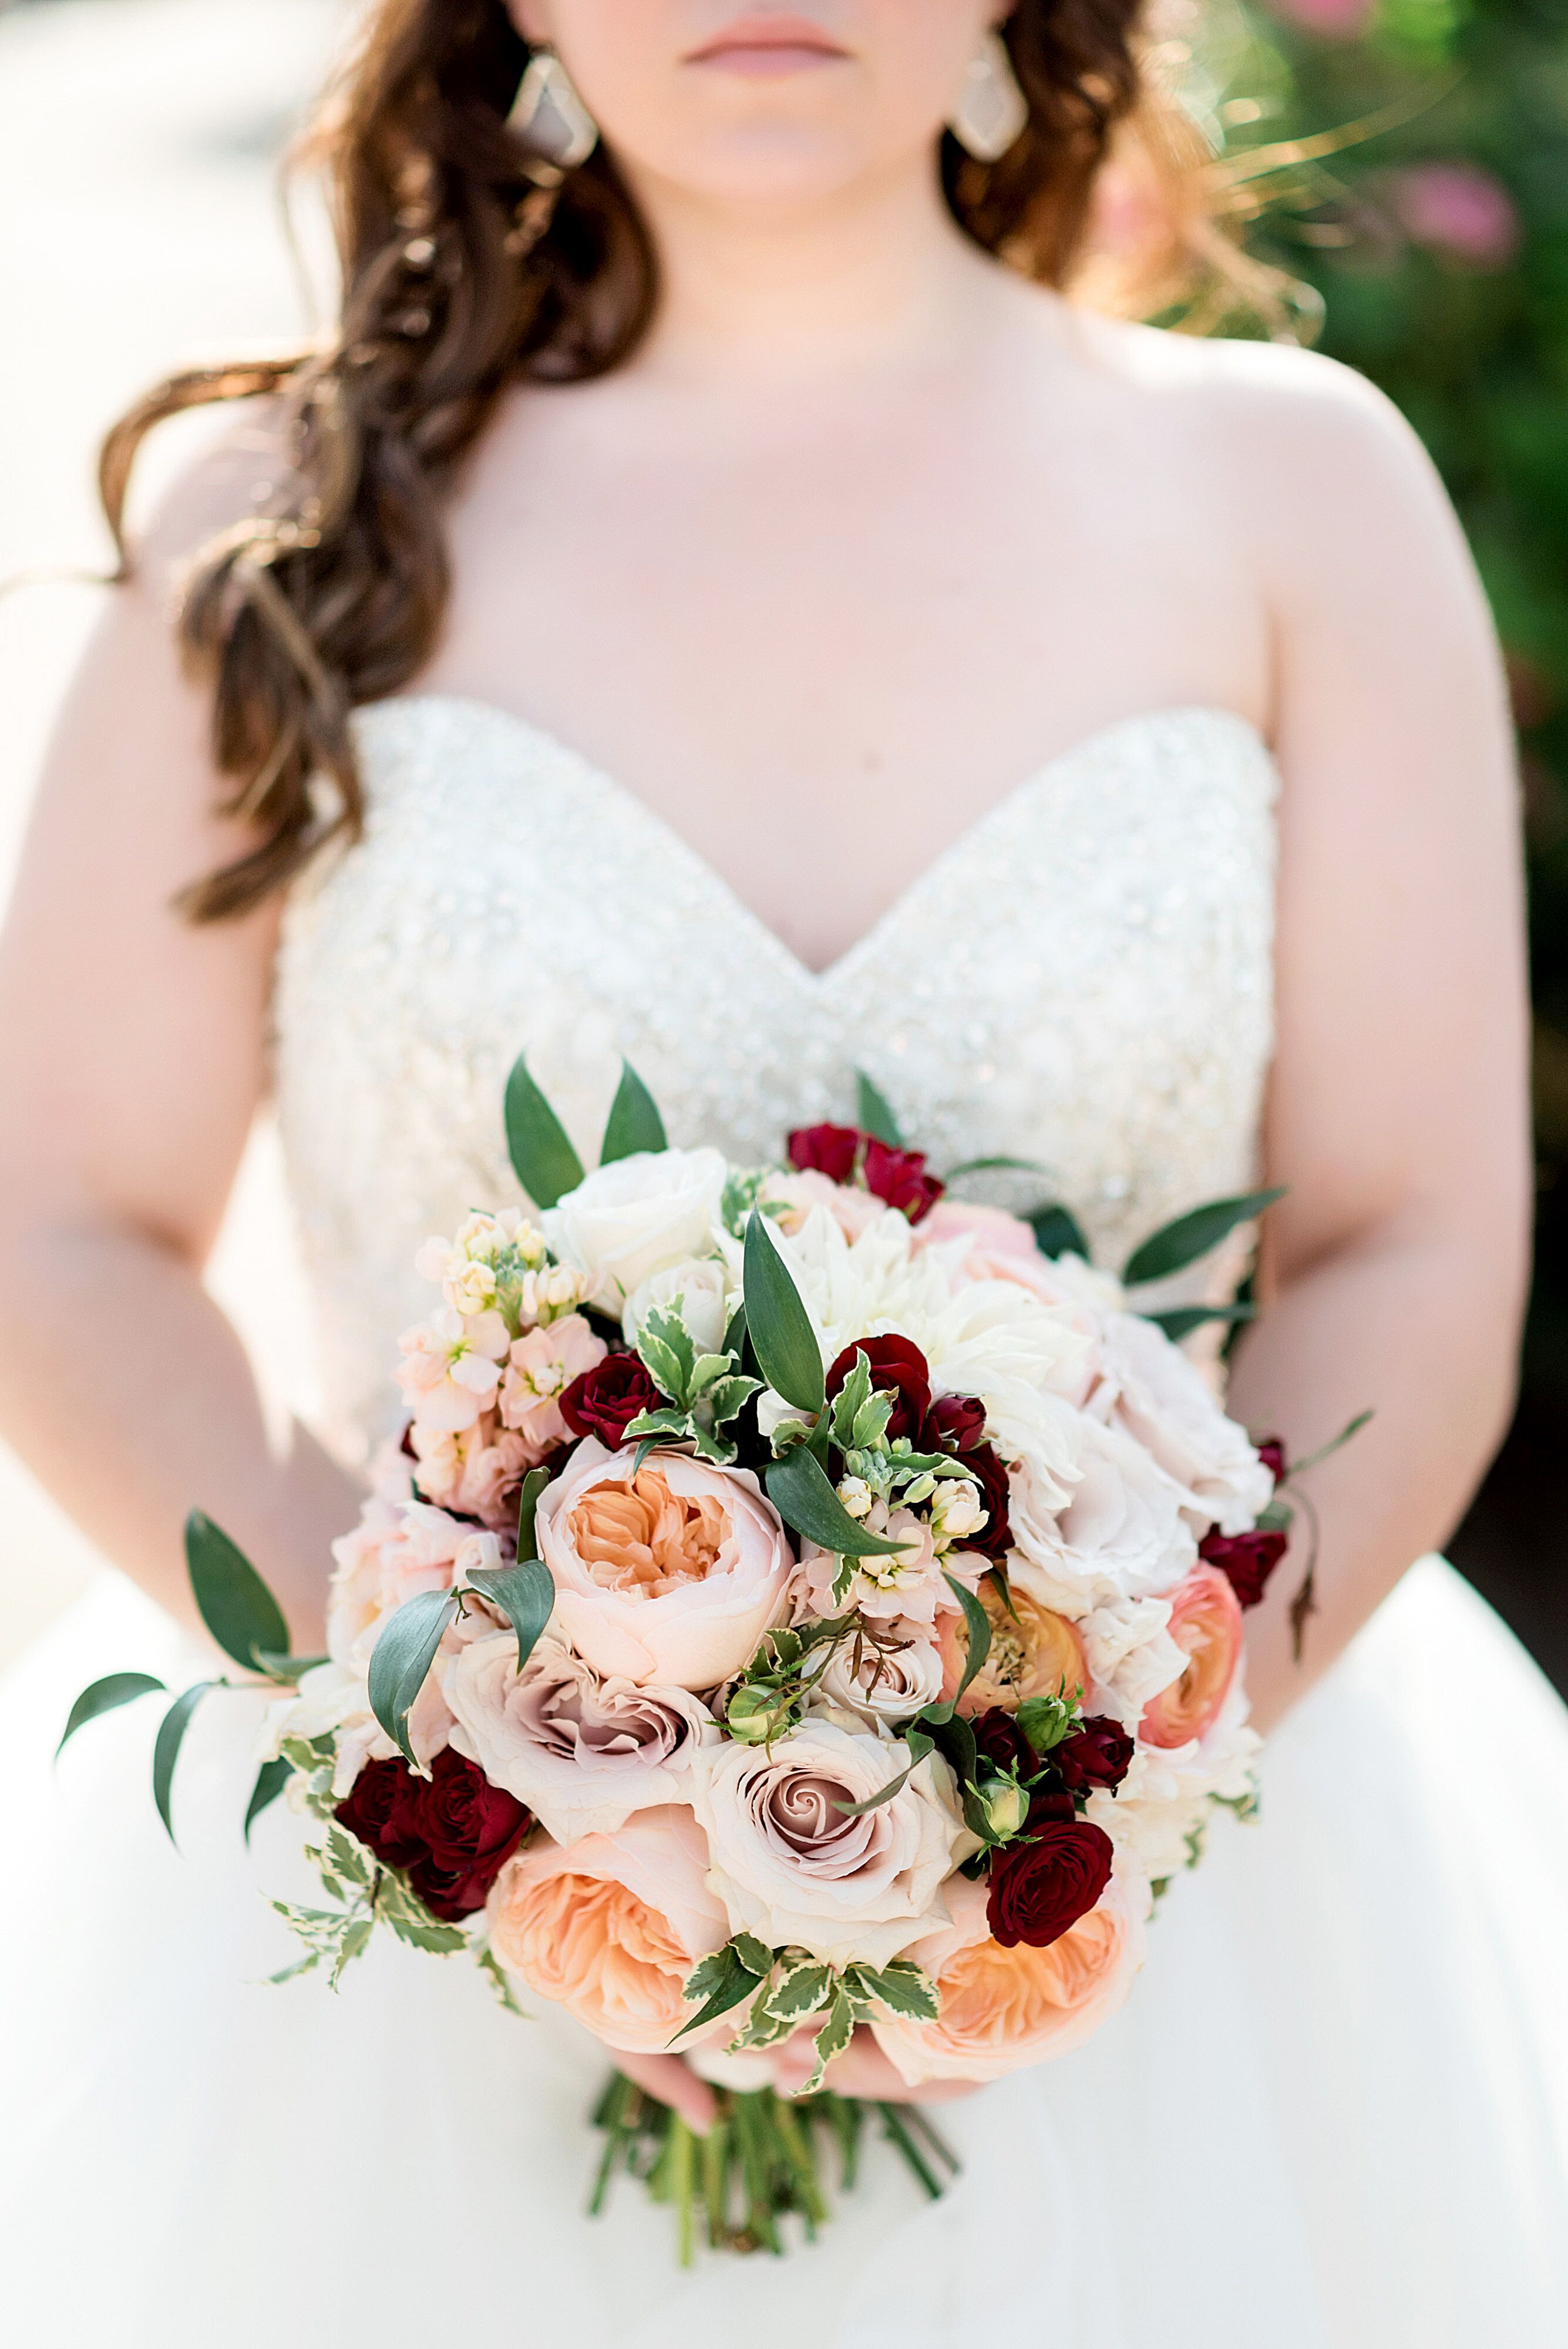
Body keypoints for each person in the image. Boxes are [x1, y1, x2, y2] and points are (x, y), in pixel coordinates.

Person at [0, 5, 1564, 2343]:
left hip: (1190, 1917)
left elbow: (1403, 1234)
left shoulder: (1290, 498)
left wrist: (1077, 1780)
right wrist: (477, 1775)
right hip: (395, 1939)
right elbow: (64, 1226)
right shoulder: (270, 521)